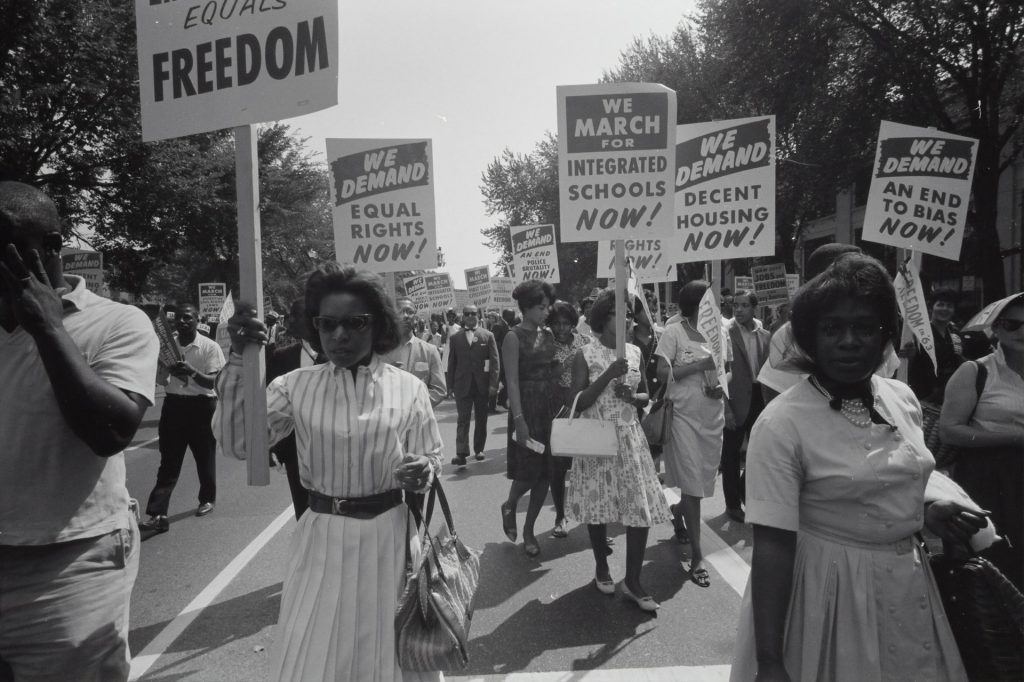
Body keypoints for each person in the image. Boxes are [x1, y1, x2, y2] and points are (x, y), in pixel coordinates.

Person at [730, 253, 984, 682]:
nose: (848, 340)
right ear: (810, 337)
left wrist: (925, 515)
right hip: (828, 598)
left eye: (864, 328)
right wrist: (770, 660)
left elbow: (891, 482)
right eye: (832, 329)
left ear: (885, 335)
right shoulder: (780, 423)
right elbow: (772, 546)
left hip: (909, 587)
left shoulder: (902, 398)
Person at [215, 264, 442, 682]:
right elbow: (239, 443)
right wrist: (236, 361)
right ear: (314, 326)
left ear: (378, 325)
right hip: (321, 536)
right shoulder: (294, 386)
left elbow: (430, 455)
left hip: (389, 538)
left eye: (355, 323)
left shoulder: (409, 388)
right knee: (313, 656)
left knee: (389, 657)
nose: (340, 336)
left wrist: (422, 469)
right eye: (327, 324)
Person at [0, 181, 158, 681]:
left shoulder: (118, 323)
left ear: (47, 248)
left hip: (68, 567)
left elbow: (110, 432)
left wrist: (47, 327)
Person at [565, 290, 670, 611]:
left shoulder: (636, 352)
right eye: (618, 313)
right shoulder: (586, 354)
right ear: (602, 318)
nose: (626, 318)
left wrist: (632, 396)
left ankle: (634, 581)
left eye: (629, 313)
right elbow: (576, 402)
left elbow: (647, 398)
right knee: (599, 508)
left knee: (639, 510)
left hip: (630, 438)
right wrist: (608, 376)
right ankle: (601, 565)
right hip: (596, 438)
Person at [940, 292, 1024, 590]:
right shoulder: (976, 371)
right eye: (1013, 324)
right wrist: (1014, 437)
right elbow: (950, 429)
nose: (1022, 331)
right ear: (996, 329)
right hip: (989, 479)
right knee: (995, 564)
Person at [656, 280, 726, 587]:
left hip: (712, 417)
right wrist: (699, 365)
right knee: (693, 485)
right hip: (682, 417)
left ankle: (677, 510)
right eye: (712, 300)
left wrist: (718, 387)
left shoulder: (720, 333)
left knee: (698, 482)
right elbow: (662, 373)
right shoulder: (674, 332)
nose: (718, 304)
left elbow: (727, 369)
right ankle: (698, 556)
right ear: (698, 304)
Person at [139, 302, 225, 532]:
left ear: (198, 319)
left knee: (204, 458)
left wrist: (191, 372)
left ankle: (207, 498)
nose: (183, 321)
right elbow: (160, 381)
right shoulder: (166, 348)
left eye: (188, 317)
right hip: (174, 407)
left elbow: (214, 382)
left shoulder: (210, 347)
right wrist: (166, 370)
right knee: (168, 461)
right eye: (178, 318)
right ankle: (158, 514)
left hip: (202, 408)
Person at [501, 279, 560, 557]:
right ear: (525, 308)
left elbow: (555, 369)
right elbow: (511, 382)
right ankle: (510, 503)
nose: (546, 312)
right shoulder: (513, 337)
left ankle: (529, 530)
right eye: (541, 307)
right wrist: (519, 419)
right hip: (526, 410)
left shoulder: (548, 335)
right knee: (527, 473)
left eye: (547, 307)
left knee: (546, 474)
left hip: (549, 410)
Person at [266, 297, 322, 520]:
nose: (289, 321)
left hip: (334, 447)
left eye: (295, 315)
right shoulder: (281, 357)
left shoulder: (340, 356)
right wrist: (272, 445)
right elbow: (270, 407)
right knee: (304, 514)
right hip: (295, 452)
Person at [722, 290, 770, 523]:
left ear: (754, 308)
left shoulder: (765, 336)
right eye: (735, 306)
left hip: (760, 399)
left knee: (759, 453)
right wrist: (725, 407)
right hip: (735, 400)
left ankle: (745, 492)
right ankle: (732, 505)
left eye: (743, 305)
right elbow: (720, 373)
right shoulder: (725, 335)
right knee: (730, 455)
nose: (738, 310)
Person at [548, 300, 590, 538]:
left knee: (586, 463)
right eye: (556, 324)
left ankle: (591, 518)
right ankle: (560, 516)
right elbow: (547, 375)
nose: (561, 328)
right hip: (559, 406)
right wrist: (567, 362)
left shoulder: (585, 342)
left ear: (574, 324)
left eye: (565, 323)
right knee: (558, 466)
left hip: (585, 404)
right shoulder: (546, 345)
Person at [446, 303, 500, 466]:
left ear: (478, 315)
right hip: (462, 384)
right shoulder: (455, 338)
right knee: (463, 419)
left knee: (481, 418)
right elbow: (451, 363)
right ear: (463, 316)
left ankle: (479, 449)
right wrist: (449, 386)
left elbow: (495, 362)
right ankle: (461, 452)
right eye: (467, 314)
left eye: (473, 313)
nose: (470, 316)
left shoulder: (488, 335)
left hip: (482, 385)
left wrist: (493, 384)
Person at [381, 295, 447, 407]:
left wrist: (415, 407)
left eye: (409, 312)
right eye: (400, 311)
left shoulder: (429, 351)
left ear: (415, 318)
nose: (405, 316)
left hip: (419, 419)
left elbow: (439, 390)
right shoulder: (379, 351)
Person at [906, 288, 966, 404]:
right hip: (923, 393)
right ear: (931, 307)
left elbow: (959, 361)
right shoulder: (919, 333)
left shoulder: (955, 333)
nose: (945, 309)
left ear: (953, 310)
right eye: (940, 304)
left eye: (949, 306)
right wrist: (910, 357)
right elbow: (907, 364)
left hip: (949, 392)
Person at [489, 307, 512, 412]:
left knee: (507, 382)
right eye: (512, 315)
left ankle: (500, 401)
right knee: (496, 382)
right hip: (499, 359)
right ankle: (493, 405)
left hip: (504, 358)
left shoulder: (504, 324)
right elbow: (492, 342)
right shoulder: (499, 326)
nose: (514, 317)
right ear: (507, 315)